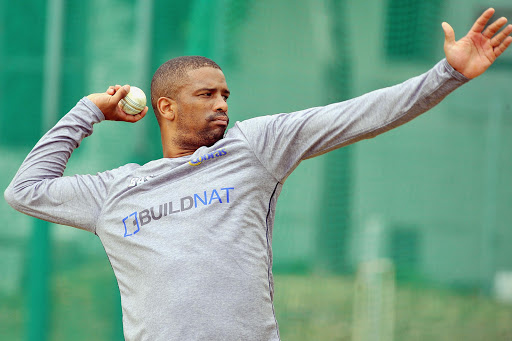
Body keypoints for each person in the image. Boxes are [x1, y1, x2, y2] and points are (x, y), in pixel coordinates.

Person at [4, 8, 511, 341]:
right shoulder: (116, 191)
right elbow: (25, 191)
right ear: (165, 107)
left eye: (225, 94)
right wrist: (88, 110)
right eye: (206, 95)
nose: (222, 104)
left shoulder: (253, 147)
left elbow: (360, 114)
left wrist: (446, 75)